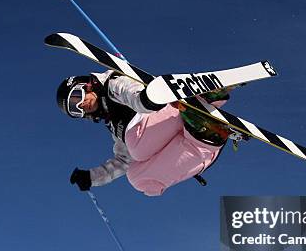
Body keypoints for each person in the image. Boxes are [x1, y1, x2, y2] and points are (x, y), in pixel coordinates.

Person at [57, 71, 230, 196]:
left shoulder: (111, 84)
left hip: (165, 107)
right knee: (140, 180)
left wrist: (146, 99)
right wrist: (91, 178)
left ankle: (201, 97)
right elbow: (124, 161)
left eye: (76, 98)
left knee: (136, 147)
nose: (81, 106)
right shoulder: (114, 125)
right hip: (191, 136)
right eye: (75, 110)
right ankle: (207, 136)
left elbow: (130, 91)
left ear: (85, 85)